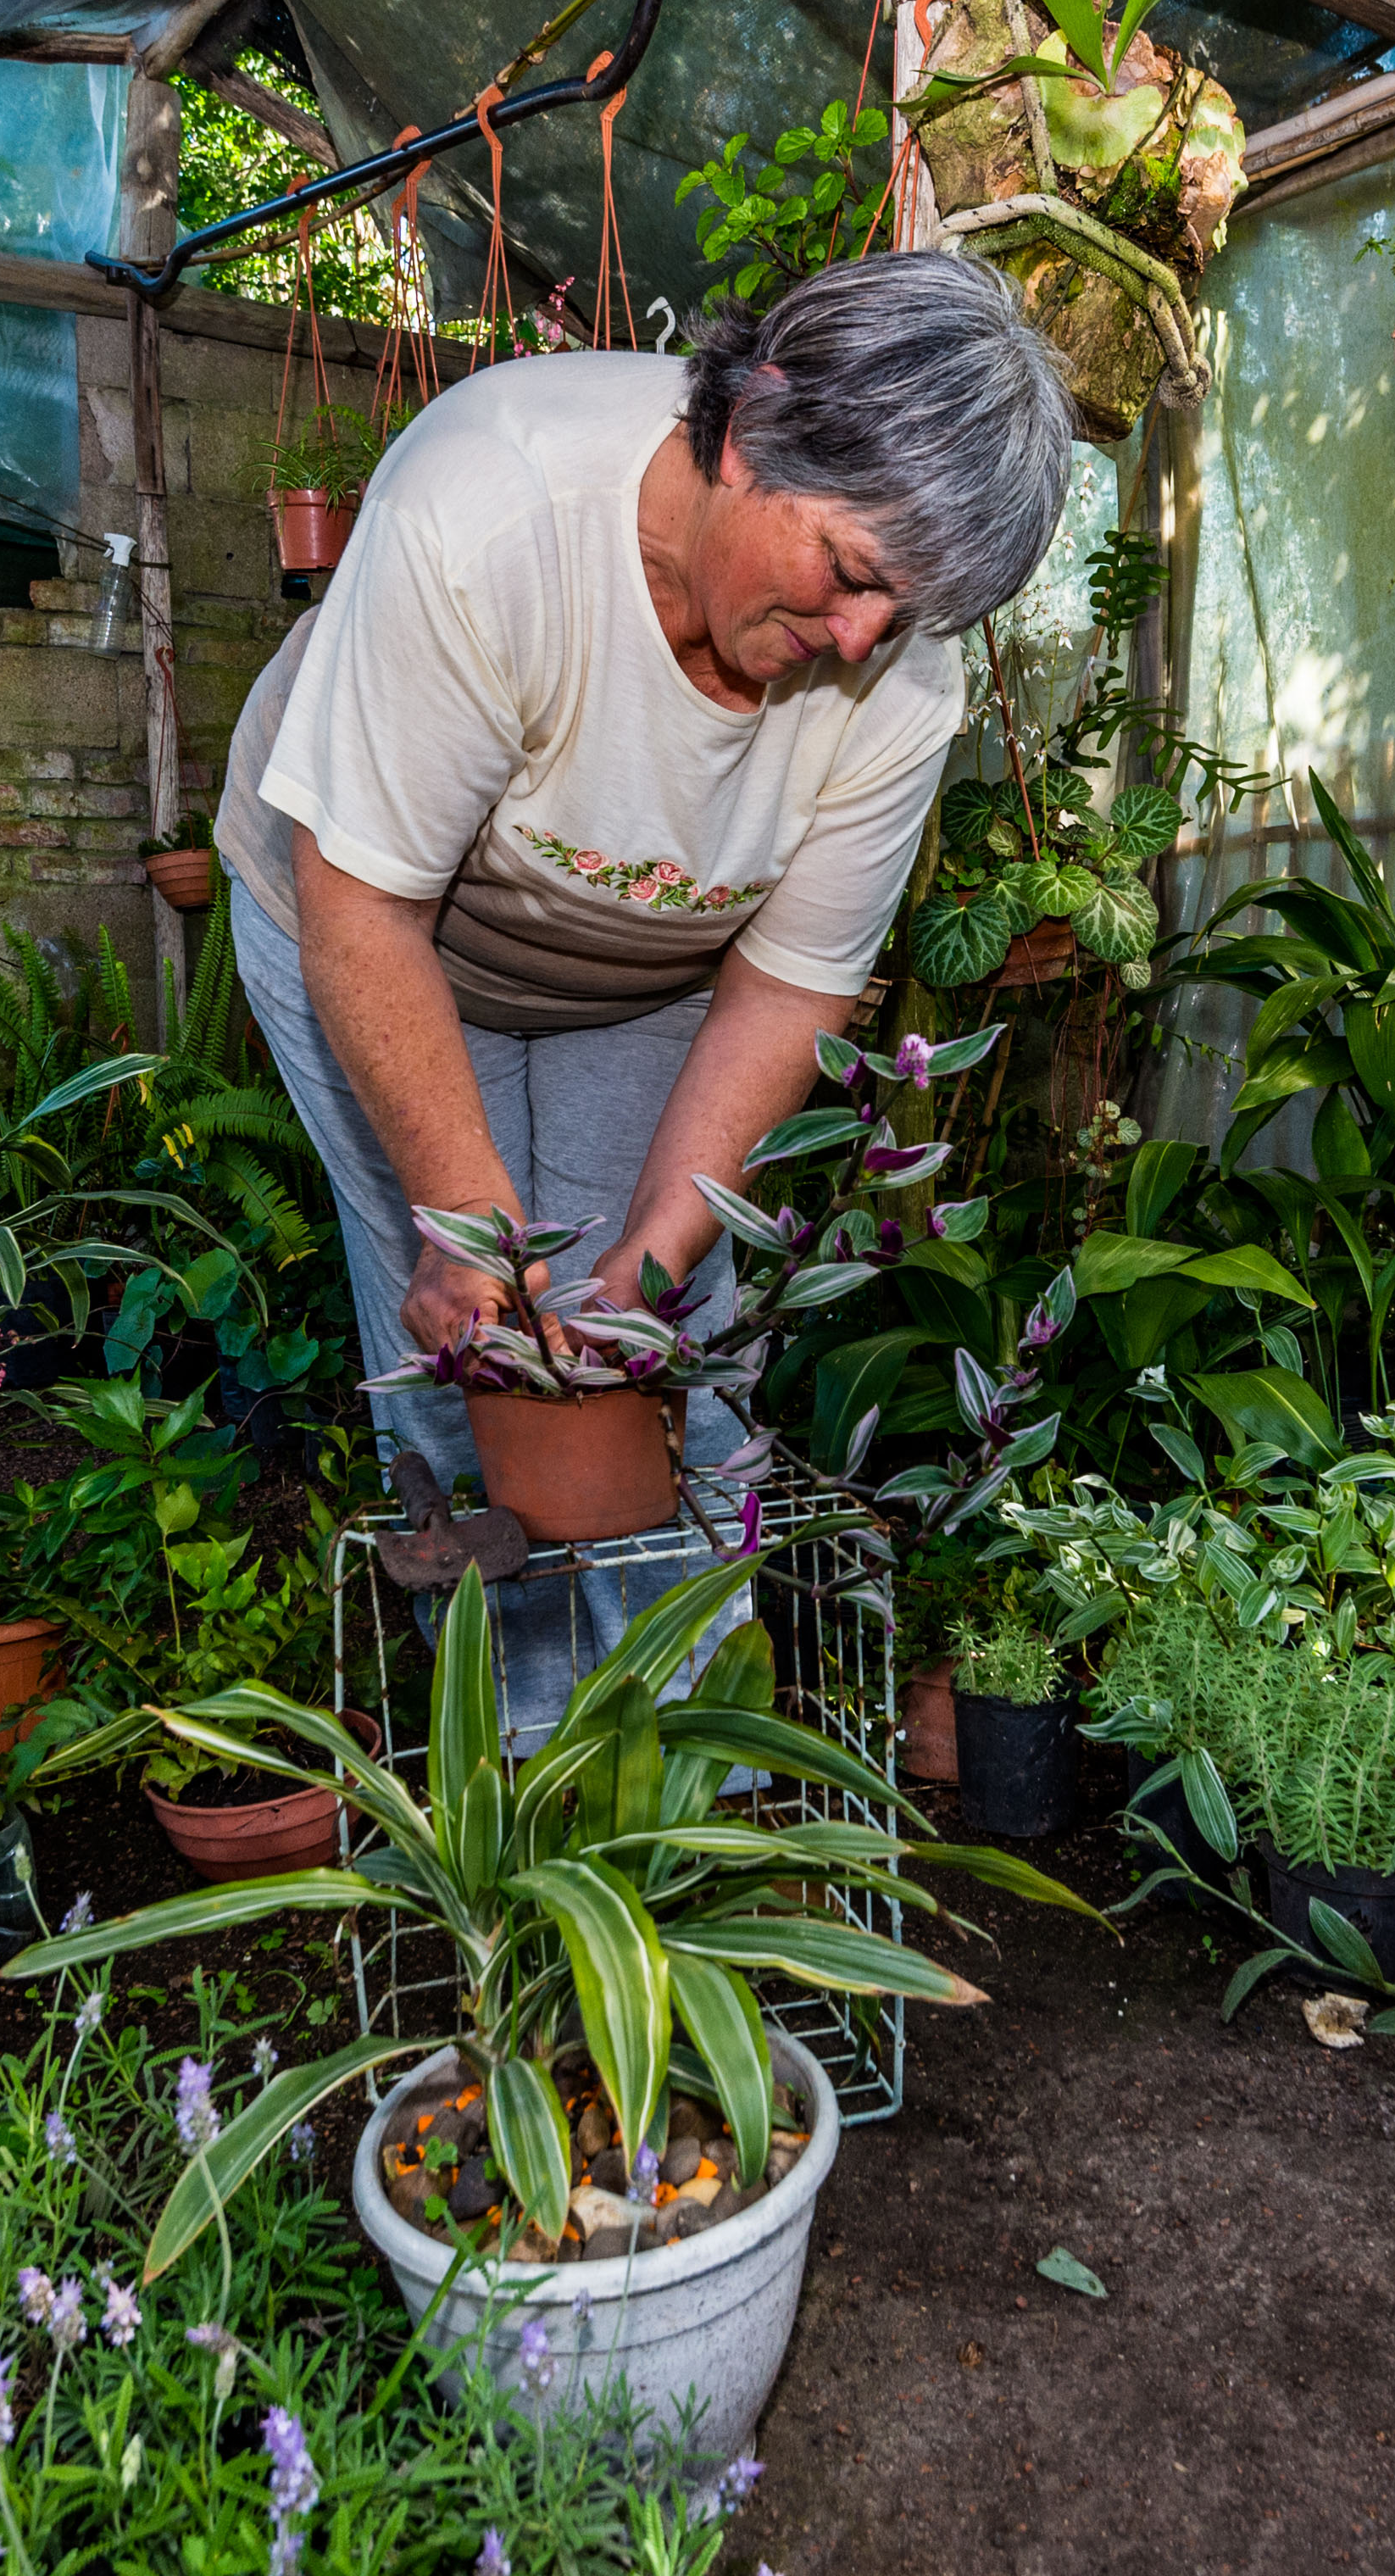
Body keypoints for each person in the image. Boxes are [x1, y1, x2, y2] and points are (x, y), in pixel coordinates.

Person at [220, 249, 1077, 1733]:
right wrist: (467, 1232)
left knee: (658, 1350)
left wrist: (657, 1263)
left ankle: (695, 1790)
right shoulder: (493, 517)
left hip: (652, 974)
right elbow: (359, 907)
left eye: (912, 613)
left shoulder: (900, 684)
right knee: (465, 1343)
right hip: (377, 932)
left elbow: (787, 997)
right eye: (856, 574)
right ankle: (529, 1793)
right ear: (752, 434)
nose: (866, 639)